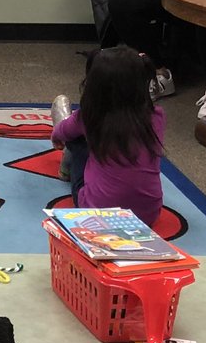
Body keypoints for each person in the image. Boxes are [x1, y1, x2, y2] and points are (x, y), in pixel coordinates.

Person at [51, 46, 166, 227]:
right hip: (148, 215)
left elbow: (61, 132)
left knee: (76, 139)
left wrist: (56, 136)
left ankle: (67, 165)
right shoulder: (156, 116)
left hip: (96, 212)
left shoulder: (90, 116)